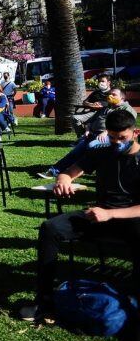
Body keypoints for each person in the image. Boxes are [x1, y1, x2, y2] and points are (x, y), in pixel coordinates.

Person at [19, 110, 140, 322]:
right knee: (50, 228)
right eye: (112, 137)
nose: (116, 142)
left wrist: (110, 214)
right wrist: (63, 180)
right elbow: (69, 171)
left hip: (129, 218)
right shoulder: (102, 152)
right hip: (99, 215)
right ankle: (44, 300)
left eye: (122, 138)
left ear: (135, 133)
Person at [38, 89, 137, 179]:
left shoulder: (126, 109)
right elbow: (91, 120)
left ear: (122, 97)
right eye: (109, 94)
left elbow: (122, 127)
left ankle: (83, 169)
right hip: (93, 134)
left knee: (90, 146)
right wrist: (88, 129)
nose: (110, 96)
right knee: (75, 152)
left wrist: (105, 132)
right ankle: (54, 171)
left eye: (114, 94)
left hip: (110, 137)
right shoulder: (106, 108)